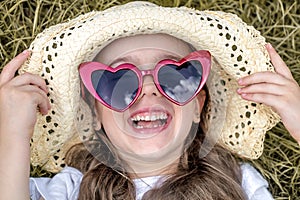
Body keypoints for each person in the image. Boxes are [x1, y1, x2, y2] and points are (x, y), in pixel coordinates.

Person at [0, 2, 299, 200]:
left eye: (175, 76)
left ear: (198, 106)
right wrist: (12, 136)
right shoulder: (71, 189)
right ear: (93, 116)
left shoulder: (240, 183)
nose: (148, 90)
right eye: (118, 82)